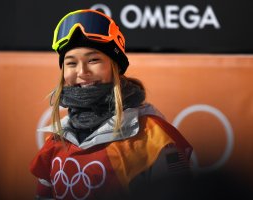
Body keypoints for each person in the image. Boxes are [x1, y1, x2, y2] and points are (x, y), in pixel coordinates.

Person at [30, 9, 193, 200]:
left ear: (115, 66)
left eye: (93, 60)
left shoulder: (154, 136)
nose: (82, 71)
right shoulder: (57, 139)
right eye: (71, 63)